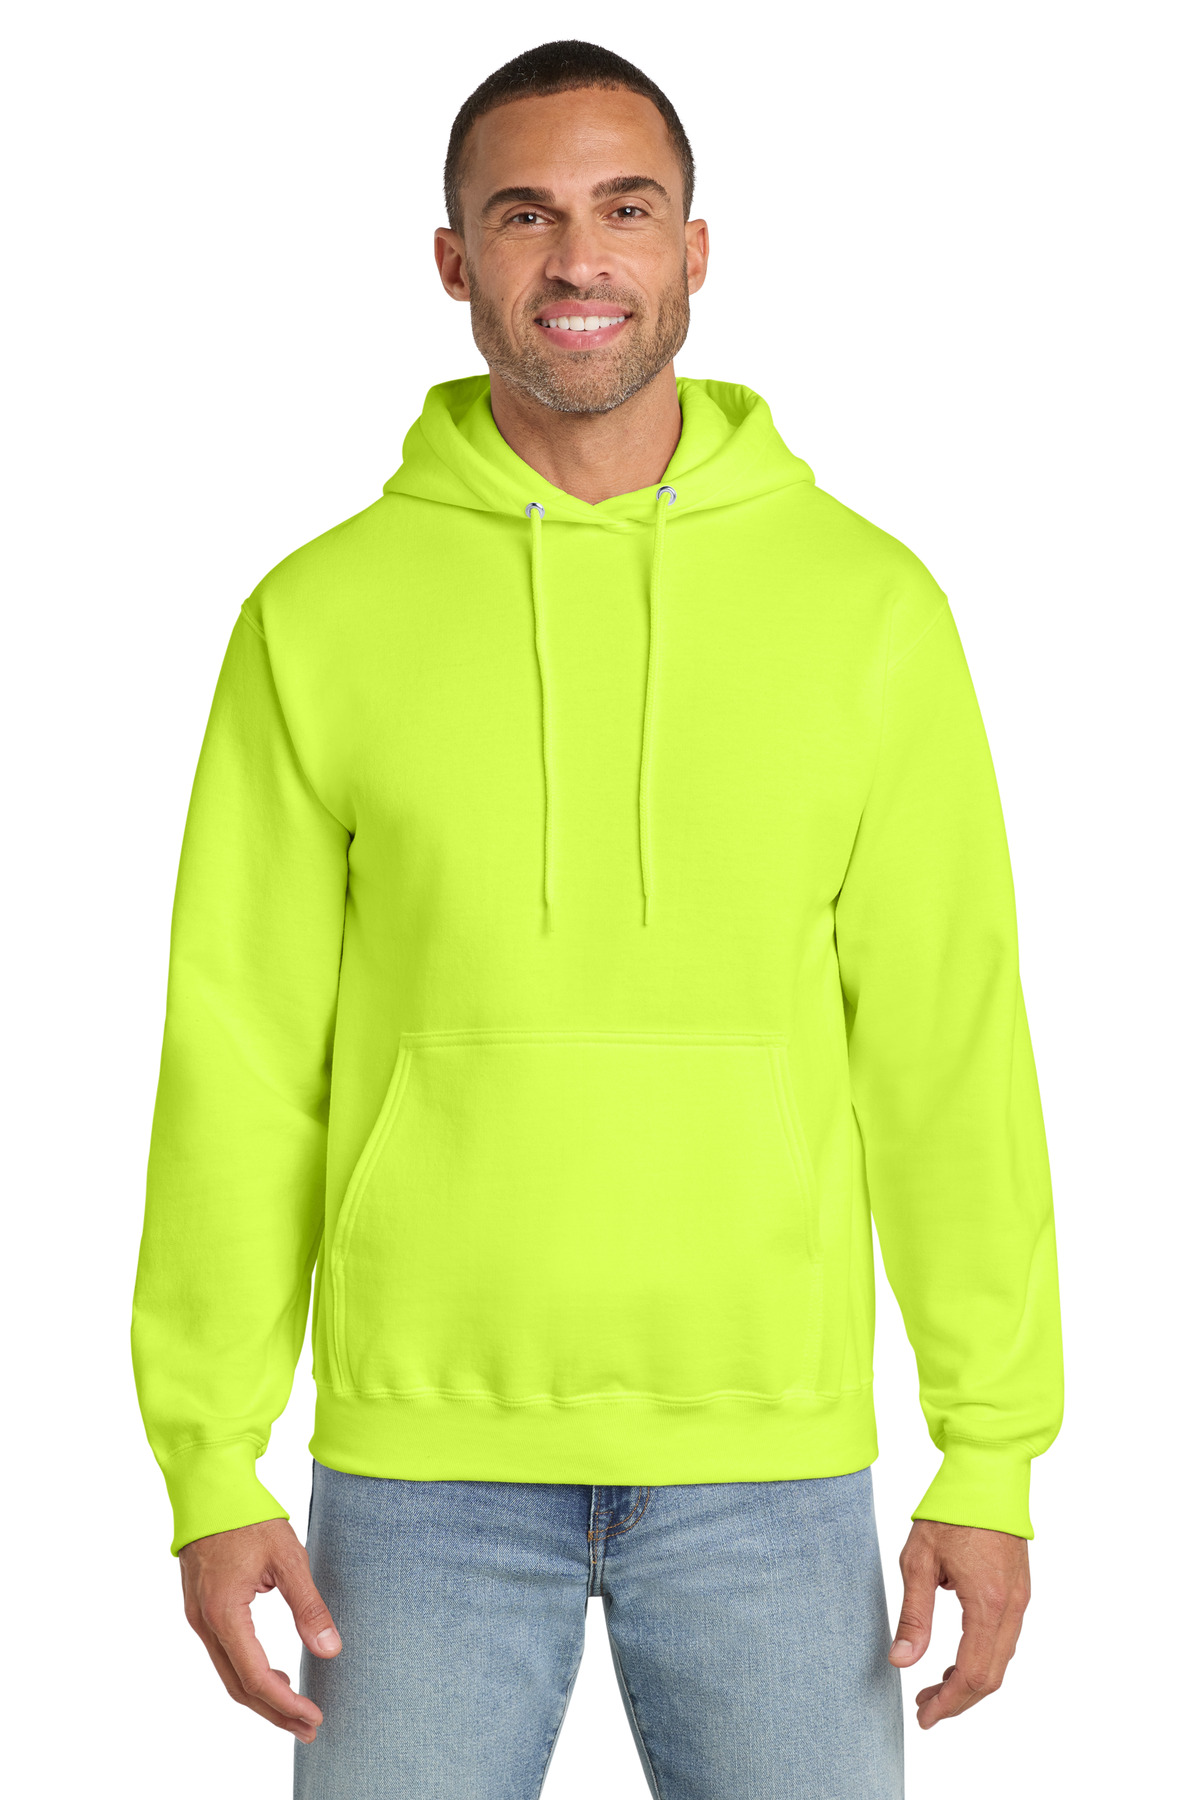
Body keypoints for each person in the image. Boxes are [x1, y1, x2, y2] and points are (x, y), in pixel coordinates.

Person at [131, 38, 1064, 1800]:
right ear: (453, 259)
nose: (579, 258)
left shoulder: (870, 610)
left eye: (626, 210)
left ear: (695, 251)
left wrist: (991, 1452)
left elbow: (948, 1048)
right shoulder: (316, 619)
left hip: (772, 1464)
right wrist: (208, 1459)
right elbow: (241, 1059)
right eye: (524, 215)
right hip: (415, 1474)